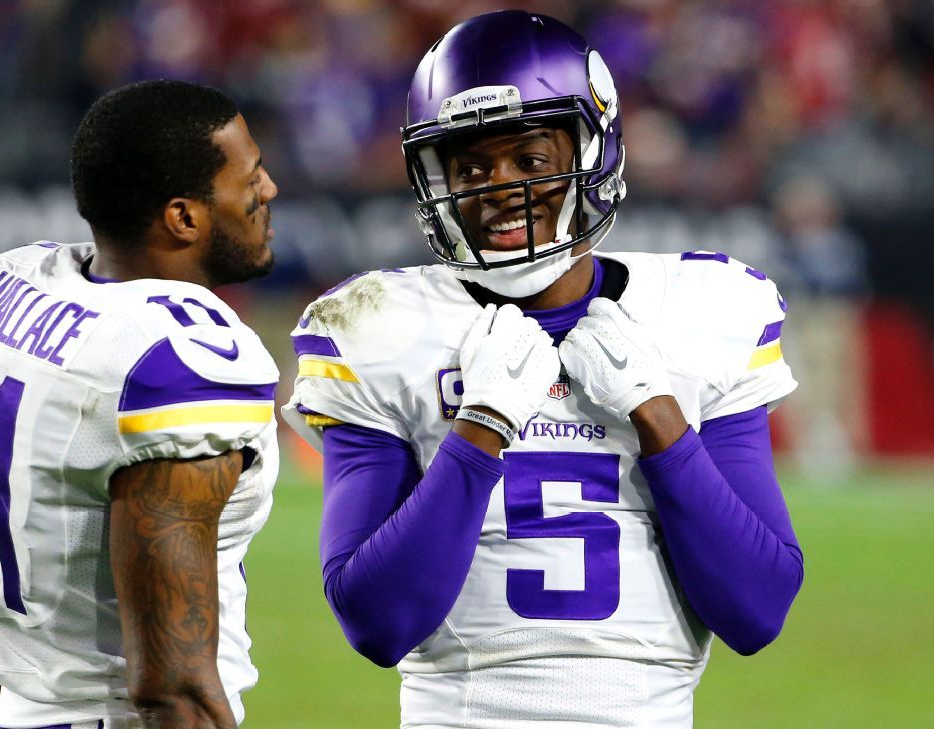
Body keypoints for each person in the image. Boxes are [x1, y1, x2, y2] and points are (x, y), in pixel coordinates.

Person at [282, 11, 804, 728]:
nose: (498, 187)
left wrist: (660, 417)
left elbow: (757, 609)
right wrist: (481, 428)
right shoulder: (377, 325)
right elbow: (377, 622)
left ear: (594, 153)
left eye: (529, 160)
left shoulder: (701, 310)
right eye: (470, 166)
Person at [0, 80, 280, 729]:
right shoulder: (177, 361)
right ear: (183, 217)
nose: (269, 191)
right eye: (252, 176)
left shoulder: (4, 293)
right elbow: (172, 690)